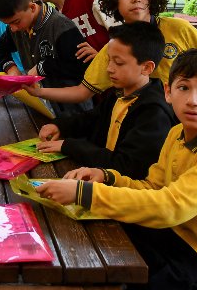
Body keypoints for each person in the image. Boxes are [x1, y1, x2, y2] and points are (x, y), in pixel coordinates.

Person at [36, 49, 197, 290]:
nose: (193, 100)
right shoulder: (178, 133)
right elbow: (153, 187)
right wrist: (107, 177)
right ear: (168, 91)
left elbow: (169, 206)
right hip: (166, 239)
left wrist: (87, 194)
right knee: (85, 249)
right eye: (184, 88)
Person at [23, 0, 197, 142]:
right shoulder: (114, 48)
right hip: (149, 139)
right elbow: (83, 92)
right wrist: (39, 92)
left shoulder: (181, 30)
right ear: (115, 2)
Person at [37, 21, 176, 179]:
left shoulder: (153, 113)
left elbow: (125, 166)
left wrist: (68, 146)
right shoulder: (119, 93)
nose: (109, 68)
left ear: (146, 68)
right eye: (109, 60)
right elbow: (92, 118)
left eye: (118, 63)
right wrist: (60, 126)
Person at [0, 0, 91, 117]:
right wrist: (11, 68)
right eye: (8, 24)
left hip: (74, 112)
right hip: (42, 107)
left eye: (15, 22)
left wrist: (41, 67)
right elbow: (0, 49)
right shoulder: (17, 27)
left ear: (32, 8)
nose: (13, 29)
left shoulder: (61, 26)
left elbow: (79, 65)